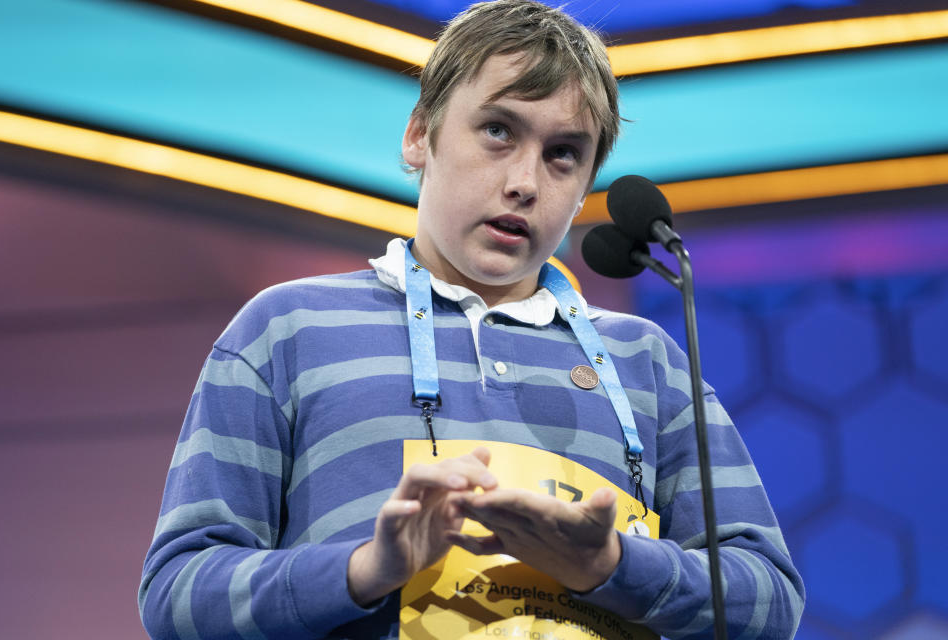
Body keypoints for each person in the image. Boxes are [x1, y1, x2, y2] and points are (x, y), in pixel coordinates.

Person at [138, 1, 804, 638]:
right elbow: (178, 594)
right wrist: (368, 568)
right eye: (498, 131)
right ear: (420, 134)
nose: (524, 181)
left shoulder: (645, 359)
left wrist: (607, 567)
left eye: (563, 154)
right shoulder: (286, 328)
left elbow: (768, 600)